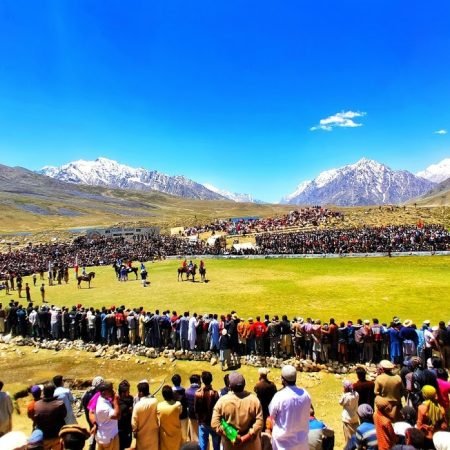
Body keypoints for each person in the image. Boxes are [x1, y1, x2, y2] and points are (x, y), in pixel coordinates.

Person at [211, 372, 263, 450]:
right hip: (251, 445)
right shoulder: (254, 400)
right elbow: (259, 423)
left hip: (231, 445)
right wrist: (246, 437)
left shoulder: (222, 401)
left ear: (229, 386)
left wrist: (232, 436)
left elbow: (214, 424)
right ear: (244, 384)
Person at [269, 365, 311, 450]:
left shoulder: (279, 396)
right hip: (301, 443)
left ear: (283, 380)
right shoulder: (306, 394)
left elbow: (271, 415)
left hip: (282, 444)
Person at [33, 383, 67, 450]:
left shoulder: (37, 404)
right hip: (57, 435)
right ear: (54, 392)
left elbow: (36, 419)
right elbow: (64, 415)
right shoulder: (60, 404)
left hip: (43, 436)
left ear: (44, 392)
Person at [194, 371, 220, 450]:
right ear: (211, 380)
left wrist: (198, 419)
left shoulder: (198, 394)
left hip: (203, 423)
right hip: (213, 423)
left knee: (203, 445)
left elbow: (196, 409)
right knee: (216, 446)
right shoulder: (215, 394)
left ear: (202, 380)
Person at [92, 382, 120, 450]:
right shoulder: (104, 407)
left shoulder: (101, 399)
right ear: (104, 392)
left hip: (104, 436)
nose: (113, 391)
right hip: (109, 437)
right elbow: (118, 416)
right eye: (110, 390)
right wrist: (116, 401)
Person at [131, 381, 159, 450]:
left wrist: (135, 432)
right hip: (153, 435)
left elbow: (133, 423)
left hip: (142, 437)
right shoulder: (155, 401)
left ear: (141, 393)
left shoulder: (137, 406)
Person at [157, 385, 183, 450]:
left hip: (164, 435)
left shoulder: (159, 406)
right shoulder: (178, 405)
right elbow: (180, 412)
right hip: (176, 434)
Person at [339, 380, 359, 446]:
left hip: (347, 417)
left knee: (348, 436)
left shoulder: (345, 396)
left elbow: (340, 402)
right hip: (355, 416)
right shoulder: (356, 394)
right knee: (355, 433)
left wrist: (344, 393)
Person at [117, 381, 133, 450]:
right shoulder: (117, 403)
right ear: (123, 393)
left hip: (128, 429)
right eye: (128, 391)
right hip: (120, 430)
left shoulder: (130, 399)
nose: (129, 392)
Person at [185, 374, 201, 442]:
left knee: (193, 434)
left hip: (191, 416)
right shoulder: (200, 392)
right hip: (200, 417)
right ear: (198, 382)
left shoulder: (187, 391)